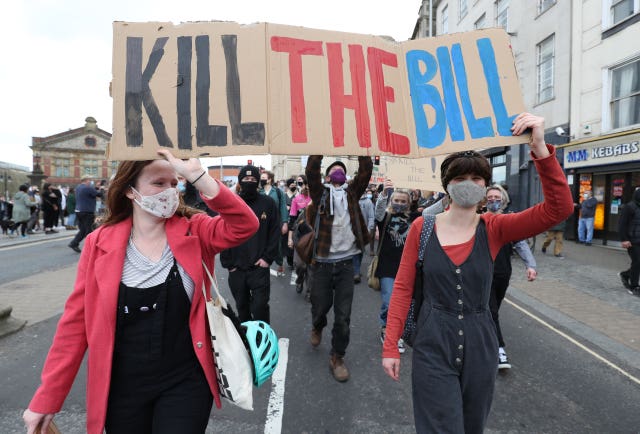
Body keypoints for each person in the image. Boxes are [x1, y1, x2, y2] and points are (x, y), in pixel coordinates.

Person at [23, 150, 259, 434]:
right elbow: (75, 325)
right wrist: (47, 398)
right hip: (121, 385)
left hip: (185, 380)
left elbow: (245, 224)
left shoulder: (196, 231)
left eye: (175, 184)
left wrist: (197, 176)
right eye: (159, 183)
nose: (170, 192)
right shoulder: (99, 243)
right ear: (130, 191)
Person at [381, 113, 573, 433]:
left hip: (480, 344)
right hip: (432, 342)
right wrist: (390, 345)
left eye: (476, 179)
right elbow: (402, 287)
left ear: (485, 186)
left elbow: (559, 209)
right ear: (447, 185)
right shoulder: (422, 227)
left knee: (472, 427)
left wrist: (539, 146)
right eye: (459, 179)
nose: (468, 185)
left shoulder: (495, 228)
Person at [305, 155, 372, 382]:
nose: (337, 173)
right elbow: (311, 172)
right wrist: (321, 149)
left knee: (343, 316)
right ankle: (317, 325)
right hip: (323, 264)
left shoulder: (352, 193)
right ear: (327, 176)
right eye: (333, 171)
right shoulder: (320, 194)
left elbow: (365, 171)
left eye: (341, 170)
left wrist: (361, 148)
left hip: (346, 264)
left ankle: (337, 357)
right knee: (320, 306)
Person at [485, 184, 537, 369]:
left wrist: (530, 265)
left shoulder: (509, 221)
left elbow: (521, 244)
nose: (493, 200)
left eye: (496, 197)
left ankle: (485, 335)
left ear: (503, 199)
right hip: (482, 274)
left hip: (503, 273)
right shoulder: (478, 221)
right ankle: (499, 350)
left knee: (493, 312)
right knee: (490, 311)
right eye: (489, 197)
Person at [221, 165, 280, 323]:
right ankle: (246, 342)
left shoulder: (268, 203)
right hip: (237, 268)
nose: (250, 181)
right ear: (240, 181)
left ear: (258, 182)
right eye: (246, 179)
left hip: (259, 267)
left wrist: (267, 259)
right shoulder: (232, 203)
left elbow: (275, 232)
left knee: (260, 307)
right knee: (242, 307)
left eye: (253, 179)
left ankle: (263, 339)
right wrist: (228, 264)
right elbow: (222, 231)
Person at [374, 180, 412, 354]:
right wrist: (384, 194)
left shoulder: (414, 218)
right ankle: (386, 329)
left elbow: (430, 212)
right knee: (389, 301)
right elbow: (378, 212)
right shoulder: (386, 217)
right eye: (396, 200)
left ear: (408, 203)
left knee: (404, 303)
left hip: (407, 268)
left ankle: (397, 331)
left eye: (403, 201)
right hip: (387, 267)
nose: (399, 203)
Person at [259, 170, 289, 276]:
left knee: (278, 245)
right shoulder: (259, 192)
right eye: (261, 178)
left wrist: (285, 222)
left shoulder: (277, 192)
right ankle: (262, 263)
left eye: (263, 178)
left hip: (276, 223)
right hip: (262, 224)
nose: (261, 180)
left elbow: (283, 208)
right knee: (261, 244)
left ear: (270, 179)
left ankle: (280, 264)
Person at [288, 175, 312, 295]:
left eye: (308, 184)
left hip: (313, 237)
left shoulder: (318, 199)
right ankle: (300, 279)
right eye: (302, 184)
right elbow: (292, 220)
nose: (305, 187)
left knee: (311, 266)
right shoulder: (296, 200)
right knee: (299, 265)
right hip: (299, 237)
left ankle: (309, 291)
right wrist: (290, 239)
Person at [68, 177, 104, 253]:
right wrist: (101, 189)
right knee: (89, 230)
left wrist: (95, 188)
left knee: (83, 230)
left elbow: (89, 193)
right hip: (87, 211)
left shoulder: (78, 187)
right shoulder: (88, 188)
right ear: (86, 180)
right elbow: (99, 194)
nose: (91, 182)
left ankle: (74, 243)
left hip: (79, 211)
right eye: (90, 180)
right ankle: (90, 248)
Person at [618, 187, 640, 297]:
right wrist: (624, 239)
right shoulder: (629, 207)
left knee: (638, 263)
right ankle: (634, 286)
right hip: (632, 240)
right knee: (637, 262)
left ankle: (625, 275)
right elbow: (622, 224)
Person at [354, 188, 375, 284]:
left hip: (363, 230)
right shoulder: (352, 200)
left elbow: (371, 216)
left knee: (361, 251)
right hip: (352, 231)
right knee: (355, 251)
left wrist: (370, 228)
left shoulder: (368, 202)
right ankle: (356, 272)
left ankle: (356, 269)